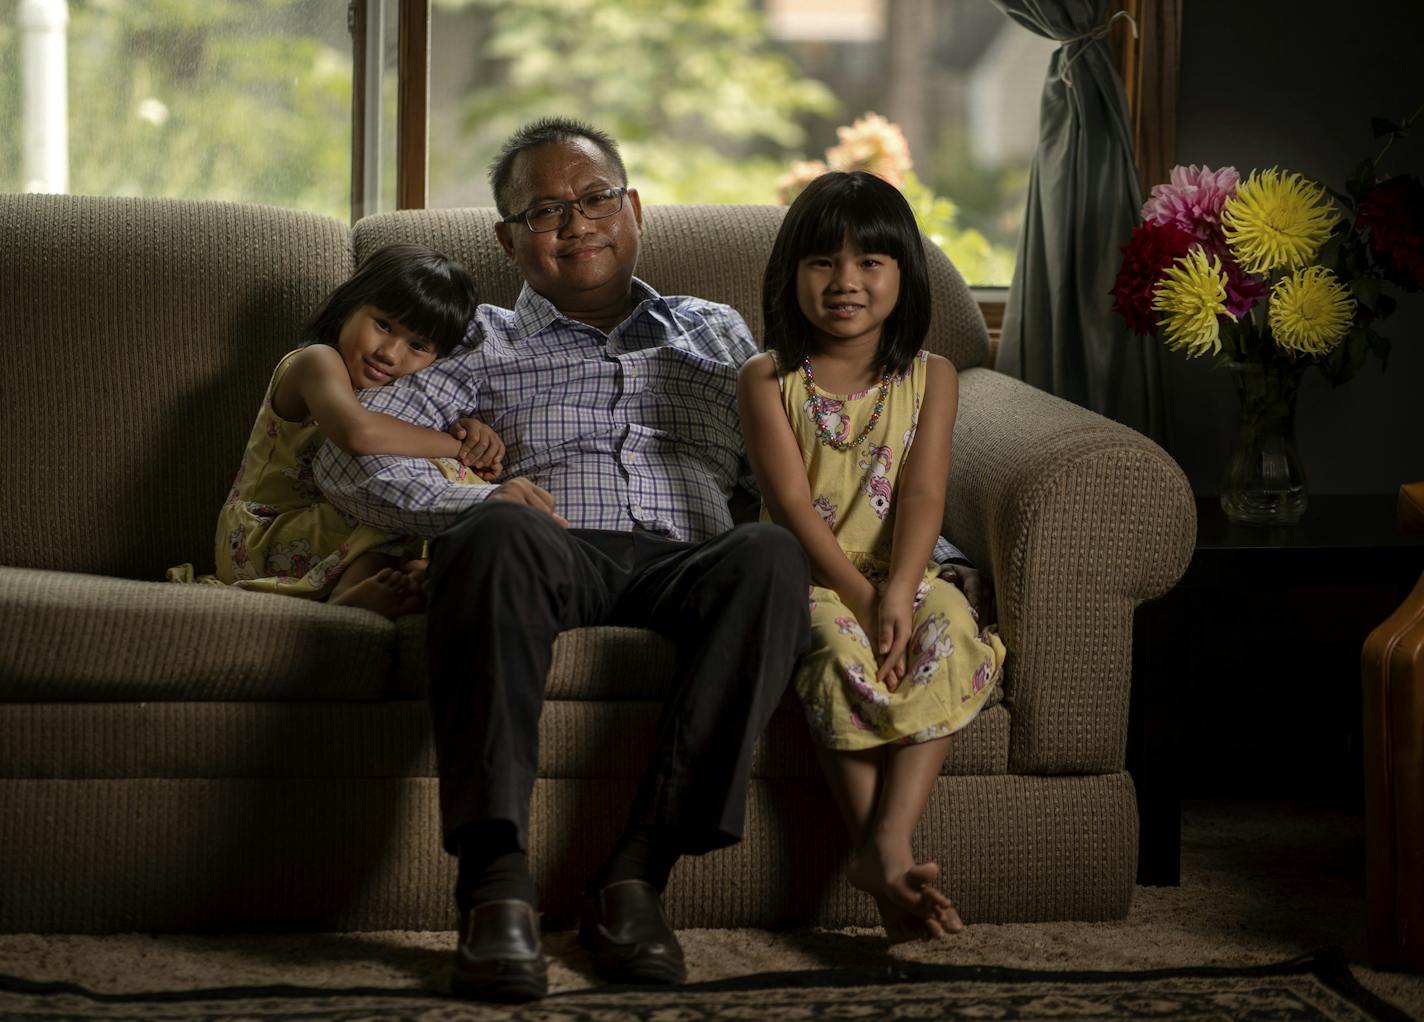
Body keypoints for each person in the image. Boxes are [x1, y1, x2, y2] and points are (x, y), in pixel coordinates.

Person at [311, 118, 811, 1002]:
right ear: (508, 238)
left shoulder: (716, 332)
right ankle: (494, 886)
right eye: (546, 211)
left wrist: (935, 558)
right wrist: (478, 498)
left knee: (770, 555)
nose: (577, 224)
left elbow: (808, 466)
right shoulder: (478, 339)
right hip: (546, 555)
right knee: (496, 531)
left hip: (683, 561)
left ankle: (637, 878)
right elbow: (348, 459)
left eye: (594, 199)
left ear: (635, 210)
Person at [737, 170, 1006, 943]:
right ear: (791, 275)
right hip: (811, 571)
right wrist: (858, 594)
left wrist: (899, 592)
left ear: (903, 275)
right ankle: (889, 869)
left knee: (950, 630)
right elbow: (790, 504)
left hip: (908, 568)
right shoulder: (766, 378)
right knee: (832, 652)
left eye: (870, 263)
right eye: (823, 262)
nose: (845, 282)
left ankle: (884, 845)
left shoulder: (933, 378)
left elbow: (922, 497)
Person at [170, 243, 501, 619]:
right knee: (393, 505)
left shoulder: (399, 391)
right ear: (350, 305)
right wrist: (453, 447)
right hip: (264, 535)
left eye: (417, 345)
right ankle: (345, 603)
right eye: (383, 325)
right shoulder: (316, 362)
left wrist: (469, 433)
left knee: (416, 491)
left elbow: (407, 434)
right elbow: (357, 433)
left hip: (332, 533)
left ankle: (415, 574)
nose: (390, 353)